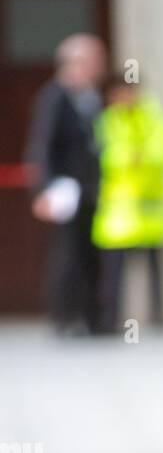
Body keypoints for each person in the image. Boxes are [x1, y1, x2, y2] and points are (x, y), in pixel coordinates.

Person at [25, 33, 107, 335]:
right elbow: (42, 146)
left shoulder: (90, 96)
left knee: (90, 253)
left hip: (90, 189)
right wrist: (43, 189)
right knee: (67, 254)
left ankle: (91, 317)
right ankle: (65, 318)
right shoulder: (55, 96)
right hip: (65, 190)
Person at [91, 74, 163, 332]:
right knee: (114, 273)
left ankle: (159, 316)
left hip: (151, 209)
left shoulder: (157, 117)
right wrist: (130, 156)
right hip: (118, 211)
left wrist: (141, 156)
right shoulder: (108, 120)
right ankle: (111, 319)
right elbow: (103, 154)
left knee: (155, 268)